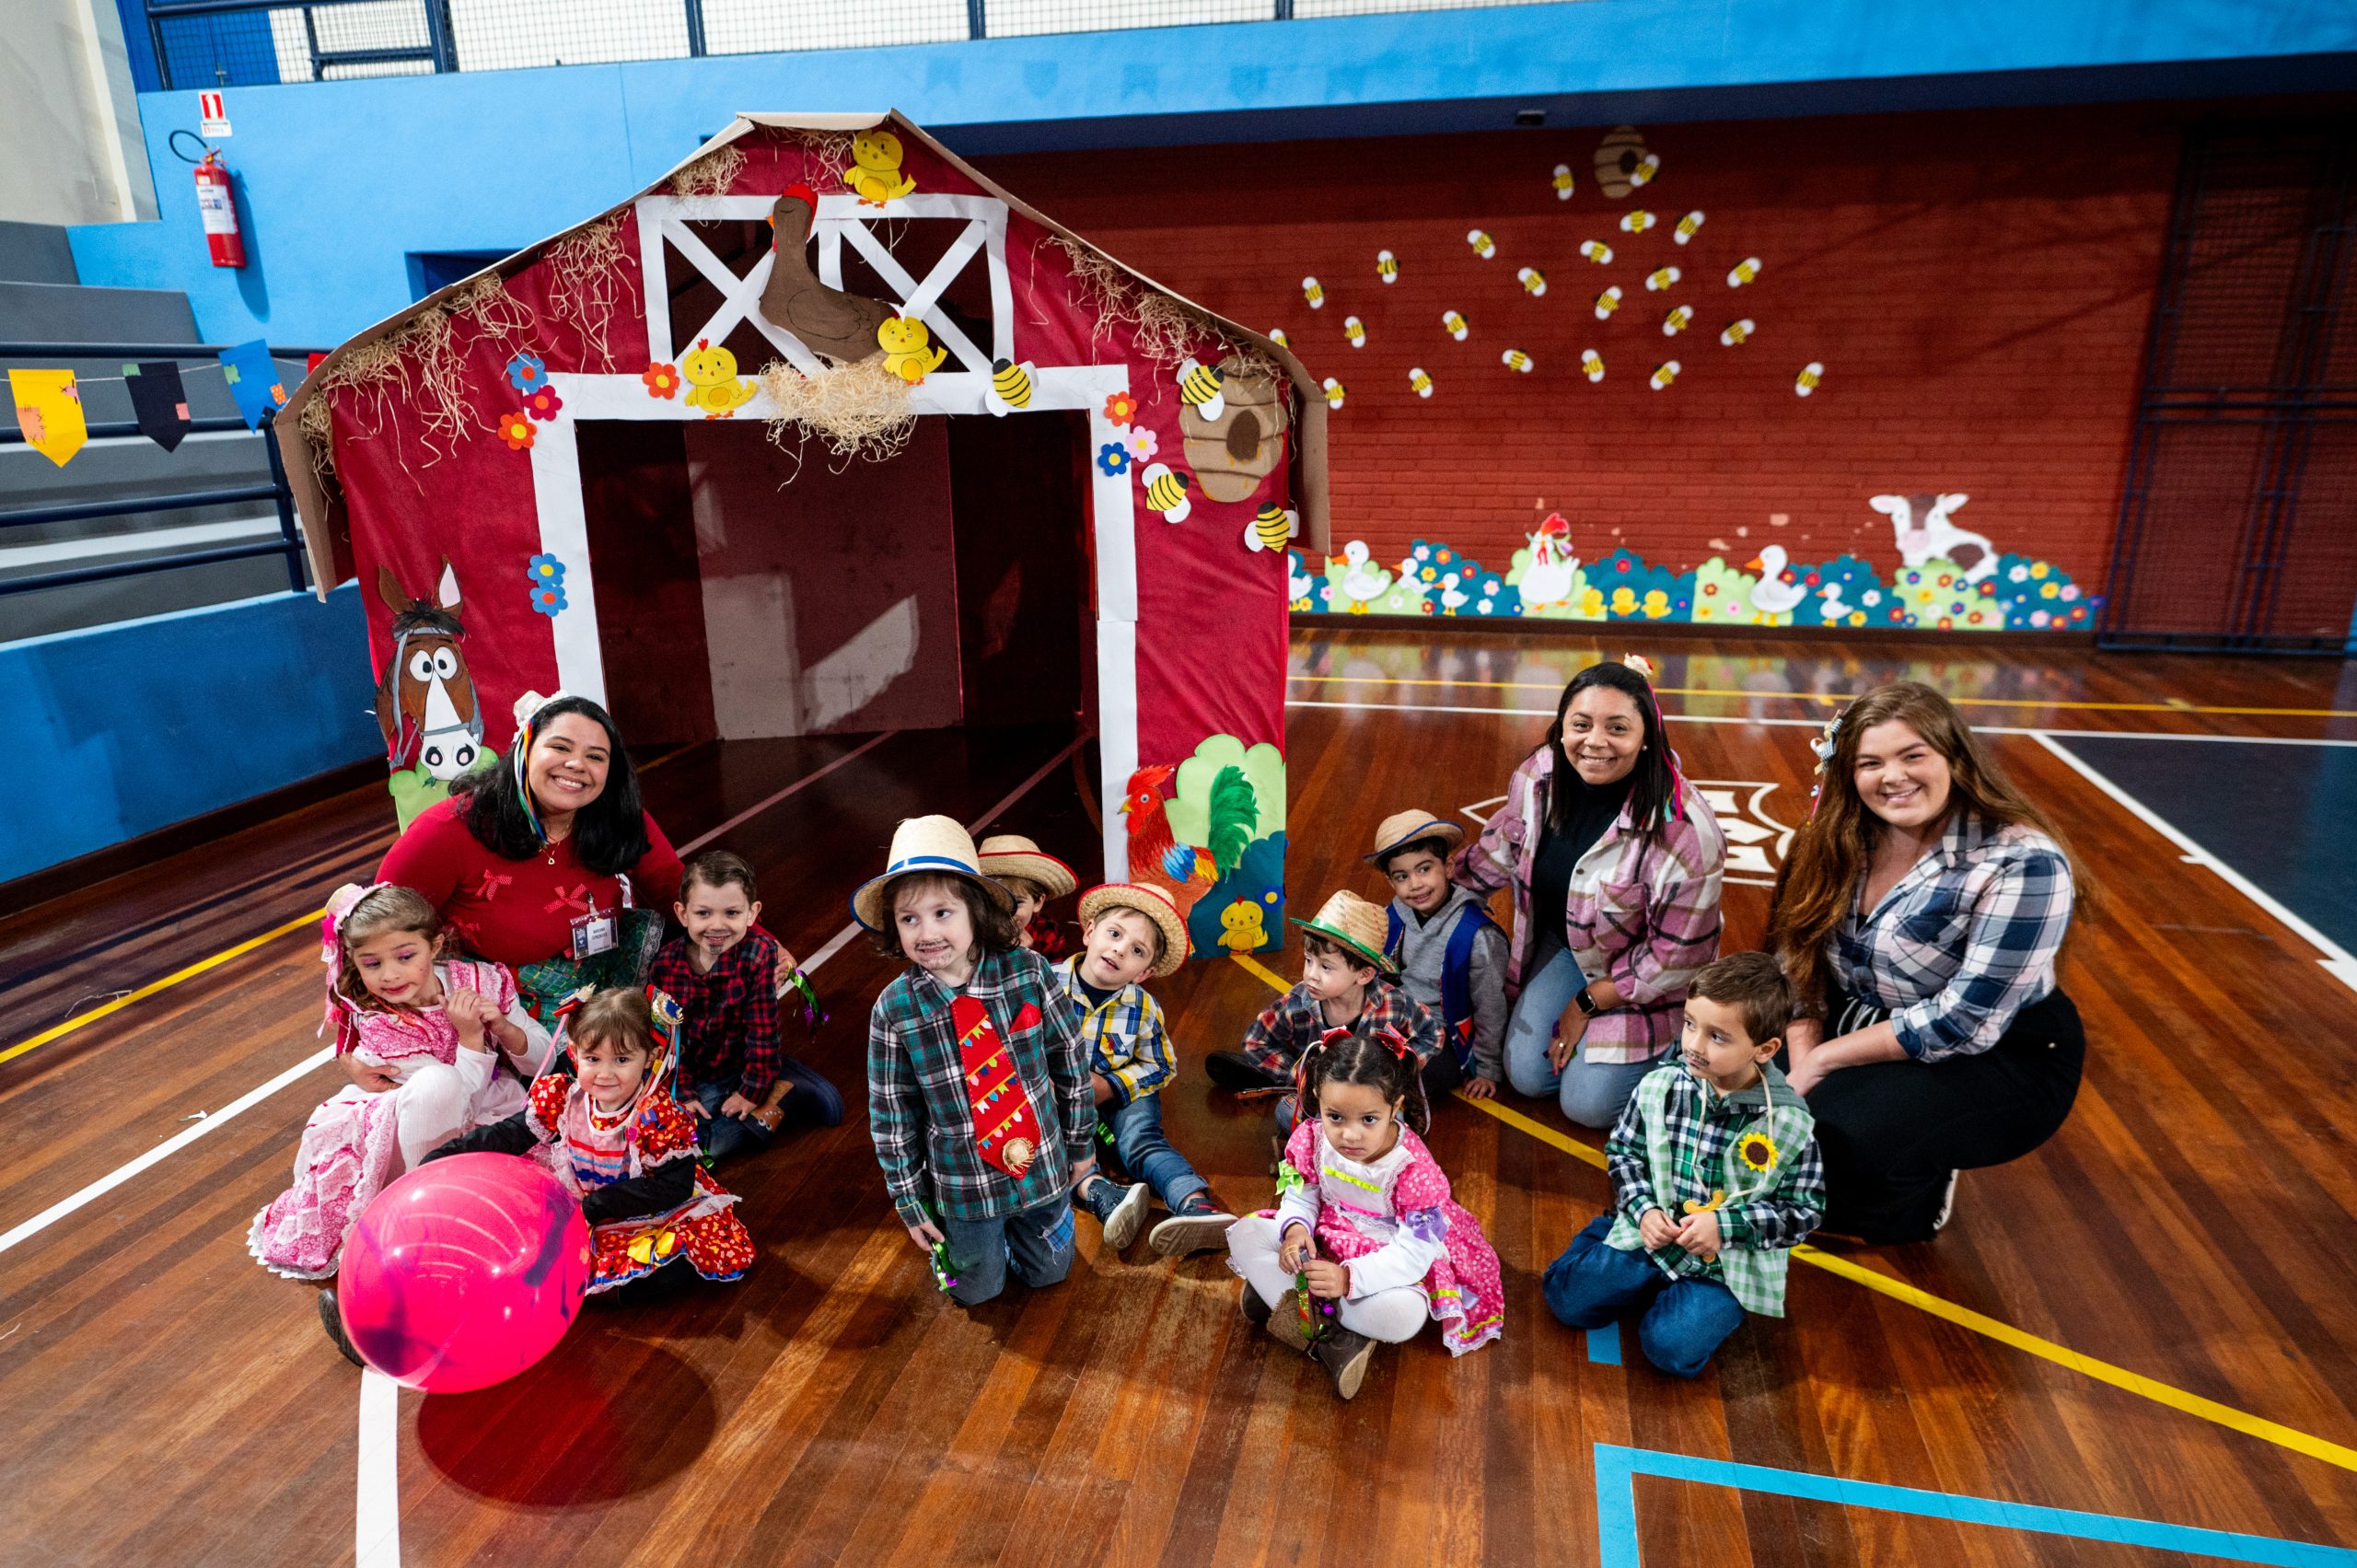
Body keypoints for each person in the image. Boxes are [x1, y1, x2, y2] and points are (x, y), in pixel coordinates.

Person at [1766, 681, 2086, 1243]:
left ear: (1955, 757)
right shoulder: (1833, 836)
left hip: (1994, 1050)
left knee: (1826, 1137)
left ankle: (1917, 1190)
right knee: (1714, 1077)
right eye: (1870, 763)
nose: (1893, 777)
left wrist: (1820, 1064)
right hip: (1856, 1013)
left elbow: (1962, 1023)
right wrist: (1800, 1054)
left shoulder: (2024, 862)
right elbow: (1797, 958)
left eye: (1912, 755)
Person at [250, 884, 556, 1357]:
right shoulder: (376, 1014)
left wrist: (504, 1027)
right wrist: (471, 1038)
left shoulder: (480, 979)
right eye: (371, 964)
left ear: (435, 945)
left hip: (486, 1108)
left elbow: (543, 1060)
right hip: (410, 1127)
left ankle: (465, 1259)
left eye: (405, 956)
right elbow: (449, 1096)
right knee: (436, 1082)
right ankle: (419, 1229)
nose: (390, 975)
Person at [1454, 656, 1726, 1130]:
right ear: (1561, 728)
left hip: (1648, 973)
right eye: (1581, 725)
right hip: (1568, 947)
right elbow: (1498, 851)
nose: (1595, 742)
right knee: (1527, 1076)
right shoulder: (1538, 776)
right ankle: (1599, 1040)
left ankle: (1677, 1045)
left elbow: (1676, 957)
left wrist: (1586, 1003)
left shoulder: (1685, 831)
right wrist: (1432, 898)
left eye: (1617, 728)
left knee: (1589, 1107)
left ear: (1647, 737)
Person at [1540, 952, 1824, 1378]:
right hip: (1651, 1235)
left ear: (1765, 1049)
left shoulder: (1790, 1124)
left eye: (1718, 1037)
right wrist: (1643, 1211)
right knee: (1567, 1300)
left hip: (1724, 1265)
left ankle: (1679, 1298)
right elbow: (1624, 1152)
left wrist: (1725, 1227)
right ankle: (1611, 1239)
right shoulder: (1660, 1086)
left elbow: (1803, 1212)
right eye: (1690, 1024)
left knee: (1670, 1350)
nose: (1693, 1045)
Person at [860, 817, 1096, 1307]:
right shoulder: (893, 1009)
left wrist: (1079, 1145)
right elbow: (891, 1115)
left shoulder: (1029, 972)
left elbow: (1070, 1061)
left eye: (942, 912)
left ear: (976, 910)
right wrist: (910, 1200)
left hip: (1042, 1168)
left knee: (1050, 1274)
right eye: (909, 919)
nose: (927, 932)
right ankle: (975, 1251)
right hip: (965, 1185)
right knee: (974, 1292)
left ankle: (1018, 1242)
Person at [371, 691, 689, 1031]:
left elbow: (678, 894)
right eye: (561, 747)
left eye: (595, 756)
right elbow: (373, 930)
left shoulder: (616, 816)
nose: (577, 764)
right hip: (503, 1010)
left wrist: (736, 959)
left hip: (604, 974)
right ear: (524, 750)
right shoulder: (446, 830)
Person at [1225, 1032, 1504, 1401]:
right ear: (1318, 1100)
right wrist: (1294, 1229)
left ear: (1396, 1107)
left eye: (1369, 1119)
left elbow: (1412, 1255)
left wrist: (1348, 1278)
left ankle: (1291, 1302)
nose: (1350, 1135)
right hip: (1327, 1236)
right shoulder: (1311, 1138)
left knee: (1404, 1317)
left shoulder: (1414, 1169)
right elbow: (1301, 1193)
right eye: (1335, 1117)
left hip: (1385, 1259)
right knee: (1243, 1233)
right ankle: (1332, 1333)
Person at [422, 985, 756, 1293]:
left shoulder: (657, 1115)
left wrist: (598, 1205)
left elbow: (672, 1187)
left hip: (641, 1210)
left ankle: (621, 1289)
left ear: (651, 1057)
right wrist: (445, 1156)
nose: (605, 1074)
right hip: (581, 1206)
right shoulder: (564, 1097)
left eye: (622, 1060)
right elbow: (509, 1134)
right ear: (574, 1052)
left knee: (670, 1264)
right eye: (593, 1059)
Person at [1051, 881, 1235, 1258]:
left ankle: (1194, 1203)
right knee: (1052, 1142)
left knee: (1140, 1141)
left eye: (1137, 950)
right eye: (1114, 934)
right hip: (1055, 1095)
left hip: (1119, 1093)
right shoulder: (1044, 985)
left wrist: (1110, 1086)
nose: (1120, 949)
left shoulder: (1143, 1008)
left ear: (1144, 972)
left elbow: (1160, 1065)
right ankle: (1102, 1194)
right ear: (1089, 932)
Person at [649, 850, 842, 1164]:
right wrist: (682, 1092)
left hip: (741, 1066)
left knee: (710, 1147)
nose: (717, 926)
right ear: (683, 914)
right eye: (703, 913)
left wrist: (751, 1091)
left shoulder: (758, 955)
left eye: (731, 913)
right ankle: (766, 1099)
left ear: (751, 914)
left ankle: (787, 1088)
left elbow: (763, 1033)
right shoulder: (665, 965)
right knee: (673, 1134)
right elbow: (669, 1041)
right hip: (695, 1073)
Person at [1204, 889, 1442, 1136]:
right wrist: (1298, 1074)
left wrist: (1399, 1070)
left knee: (1401, 1122)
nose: (1311, 975)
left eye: (1326, 967)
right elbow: (1256, 1041)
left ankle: (1344, 1142)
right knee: (1286, 1112)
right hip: (1323, 1099)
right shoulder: (1297, 1004)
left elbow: (1432, 1034)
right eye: (1308, 960)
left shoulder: (1392, 1003)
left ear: (1364, 975)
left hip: (1371, 1097)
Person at [1369, 809, 1508, 1100]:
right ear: (1391, 882)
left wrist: (1487, 1068)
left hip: (1446, 1037)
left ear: (1448, 867)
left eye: (1424, 869)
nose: (1415, 884)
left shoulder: (1477, 934)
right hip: (1400, 1019)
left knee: (1403, 1076)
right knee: (1340, 1036)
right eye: (1402, 876)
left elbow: (1490, 1007)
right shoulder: (1394, 913)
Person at [978, 833, 1077, 958]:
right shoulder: (972, 928)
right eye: (993, 902)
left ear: (1038, 902)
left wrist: (1025, 957)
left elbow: (1053, 970)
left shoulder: (1047, 932)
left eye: (1017, 902)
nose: (1005, 913)